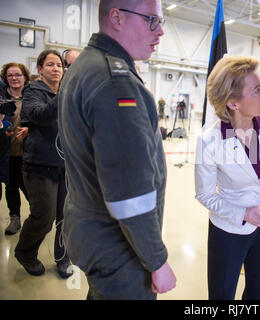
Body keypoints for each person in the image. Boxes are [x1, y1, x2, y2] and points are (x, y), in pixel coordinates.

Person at [58, 0, 176, 299]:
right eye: (152, 20)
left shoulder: (86, 65)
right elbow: (130, 194)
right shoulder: (115, 82)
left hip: (89, 227)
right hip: (118, 243)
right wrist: (157, 260)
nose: (160, 31)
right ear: (116, 18)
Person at [195, 55, 260, 300]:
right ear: (233, 103)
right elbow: (204, 194)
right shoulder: (209, 140)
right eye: (257, 90)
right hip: (230, 229)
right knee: (222, 296)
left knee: (258, 293)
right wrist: (245, 214)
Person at [14, 49, 73, 279]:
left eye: (59, 65)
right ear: (40, 69)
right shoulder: (33, 91)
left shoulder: (67, 92)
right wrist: (65, 94)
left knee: (66, 217)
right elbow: (39, 115)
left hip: (66, 167)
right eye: (50, 65)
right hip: (40, 167)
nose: (56, 68)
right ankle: (25, 252)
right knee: (44, 217)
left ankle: (63, 258)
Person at [0, 62, 30, 235]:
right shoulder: (2, 98)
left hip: (28, 152)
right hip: (7, 151)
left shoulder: (31, 96)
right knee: (11, 186)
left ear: (25, 77)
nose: (14, 78)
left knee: (28, 186)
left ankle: (37, 217)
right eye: (10, 75)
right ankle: (14, 218)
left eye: (17, 75)